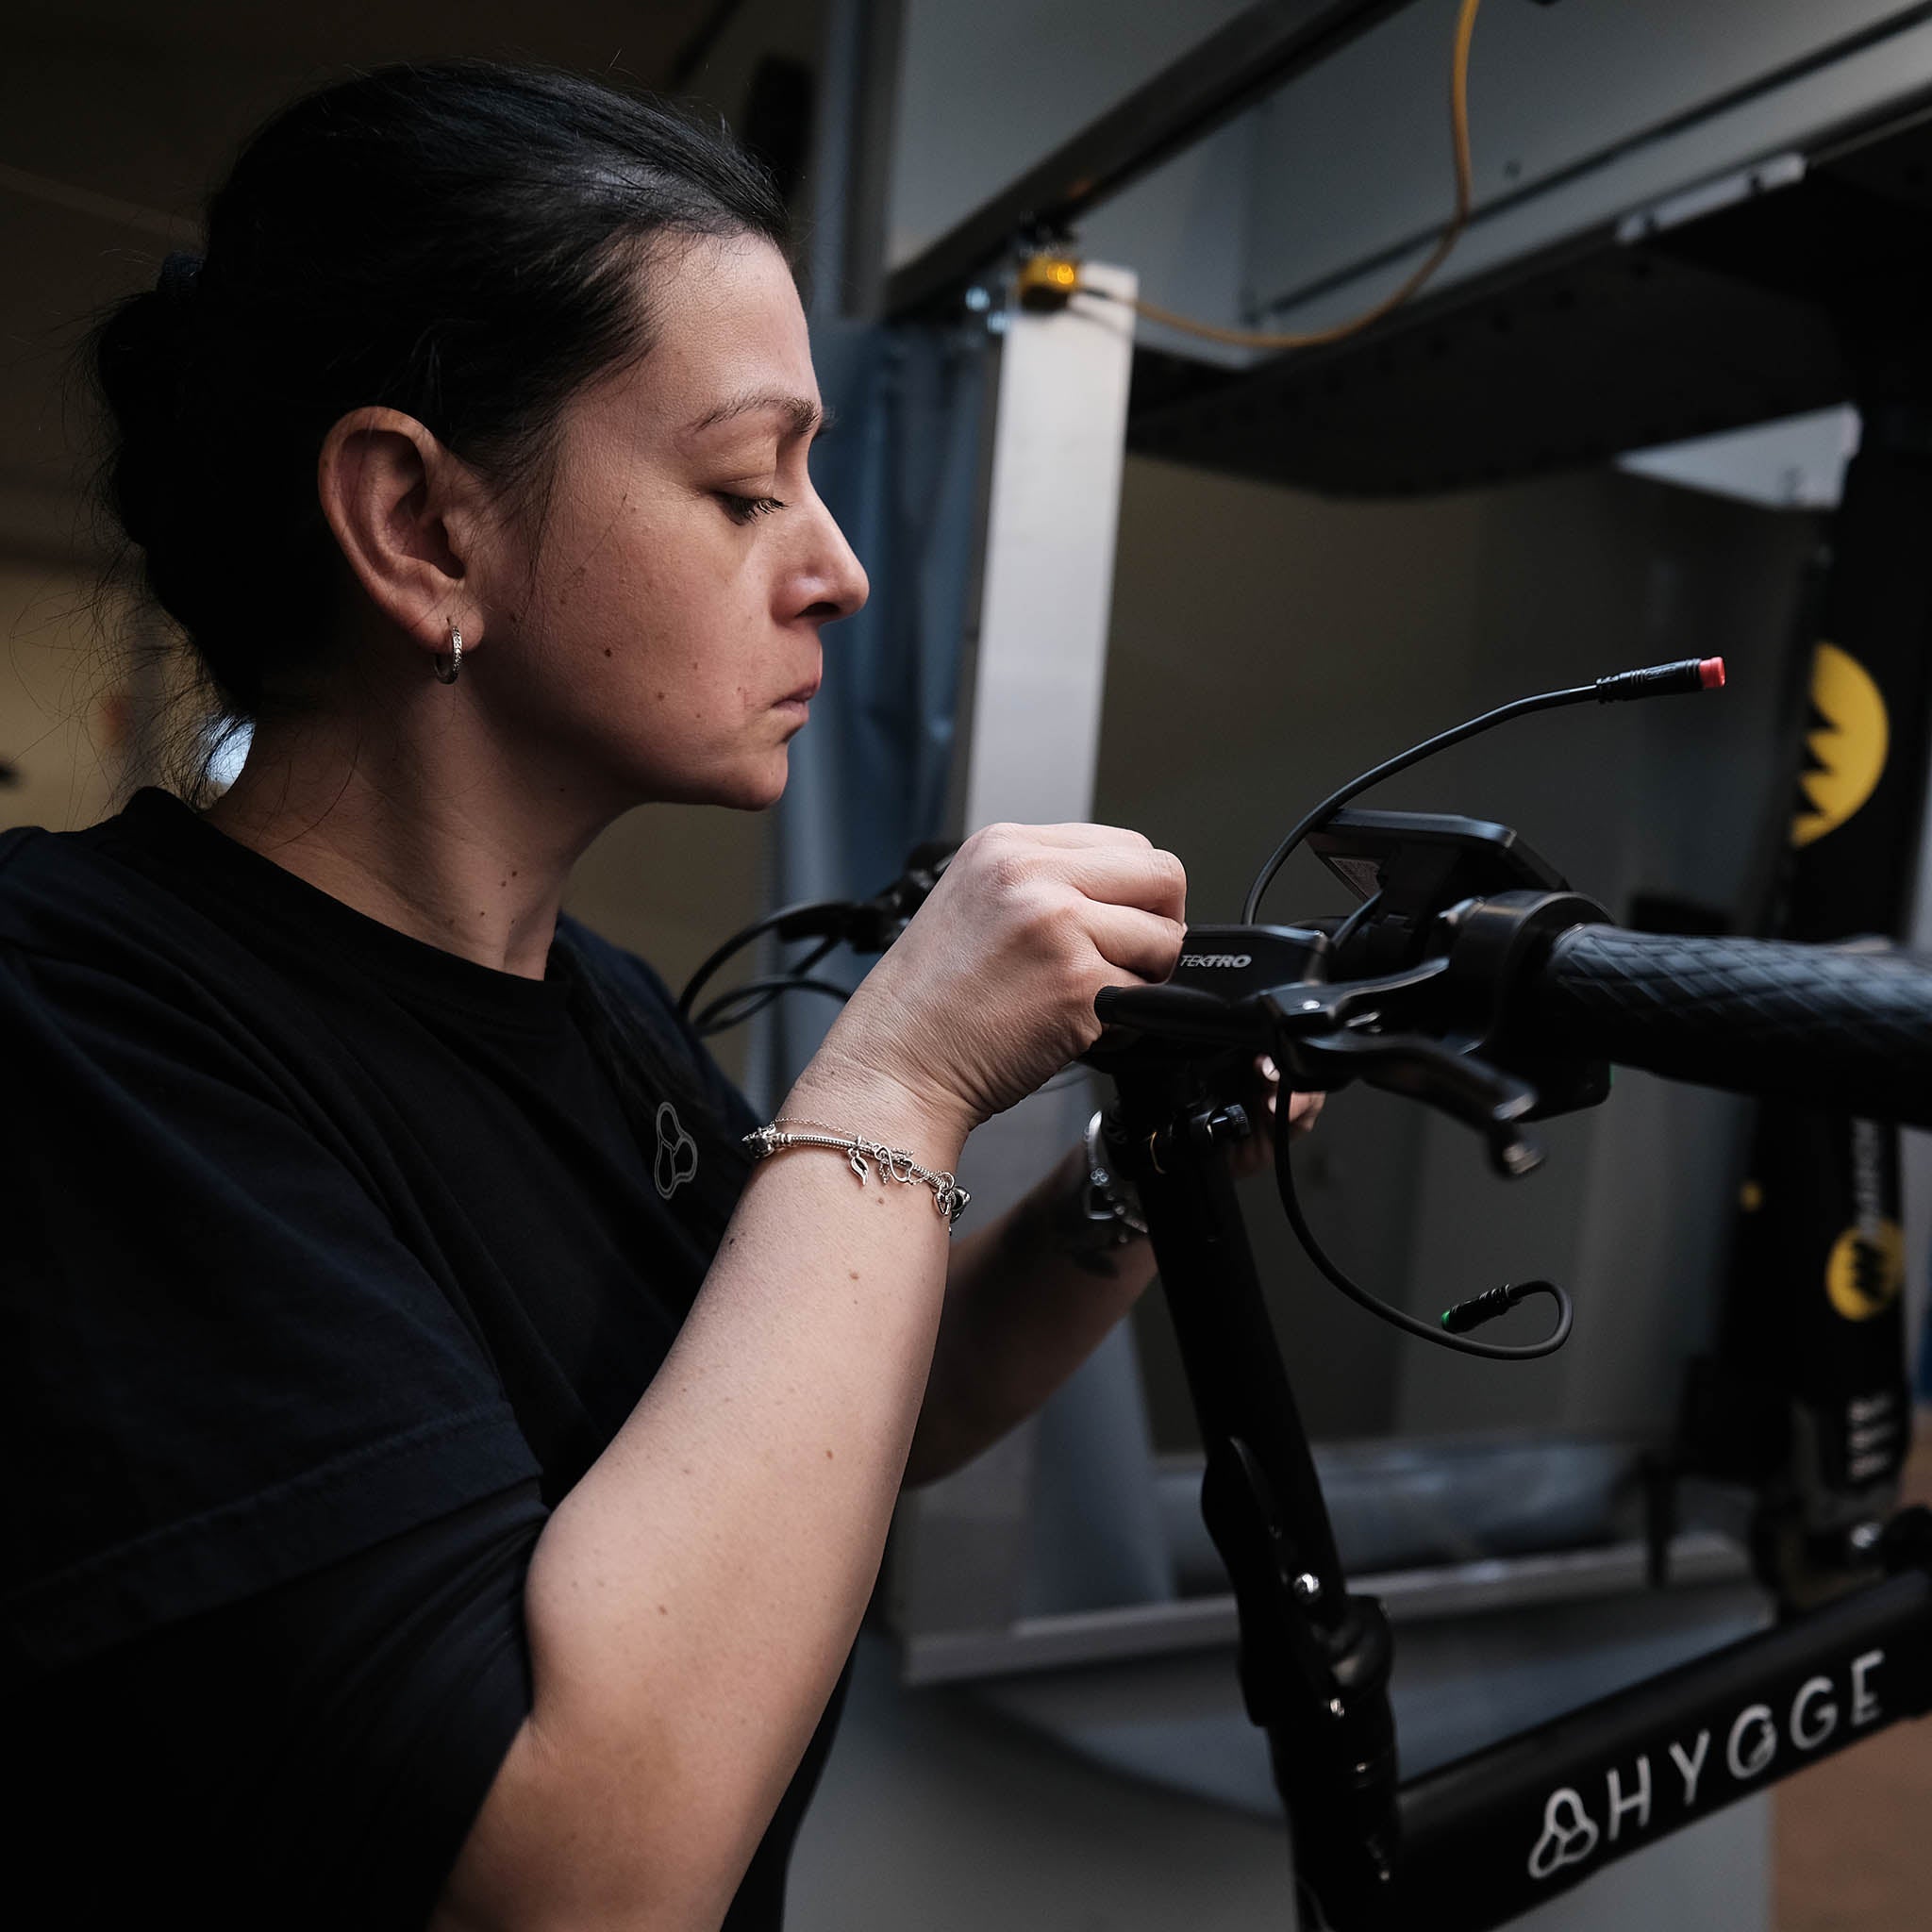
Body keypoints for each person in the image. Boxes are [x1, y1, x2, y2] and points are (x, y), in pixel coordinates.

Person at [1, 58, 1313, 1931]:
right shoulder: (80, 1022)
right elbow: (574, 1878)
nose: (840, 570)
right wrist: (901, 1073)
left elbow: (832, 1422)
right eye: (740, 482)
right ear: (421, 525)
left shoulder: (600, 1010)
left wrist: (1131, 1187)